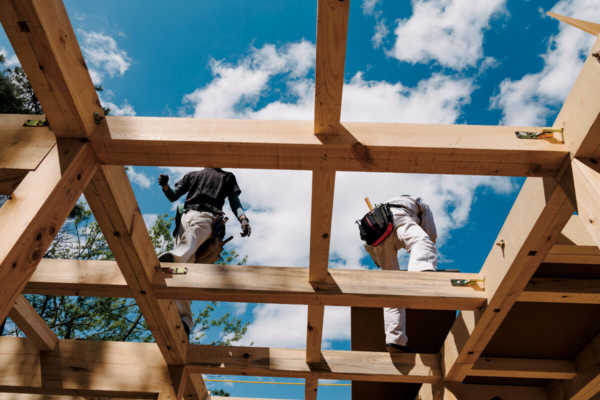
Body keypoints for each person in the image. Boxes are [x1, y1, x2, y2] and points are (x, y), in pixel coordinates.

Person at [157, 168, 251, 338]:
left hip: (207, 217)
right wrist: (165, 186)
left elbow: (234, 201)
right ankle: (184, 321)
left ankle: (173, 257)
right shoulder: (193, 176)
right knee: (182, 275)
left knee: (191, 239)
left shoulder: (226, 177)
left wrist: (243, 219)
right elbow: (173, 196)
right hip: (185, 219)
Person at [363, 195, 437, 352]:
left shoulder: (386, 204)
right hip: (398, 218)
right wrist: (426, 264)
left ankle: (394, 339)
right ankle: (422, 276)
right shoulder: (419, 203)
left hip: (377, 233)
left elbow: (375, 255)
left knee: (392, 290)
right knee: (421, 241)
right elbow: (430, 236)